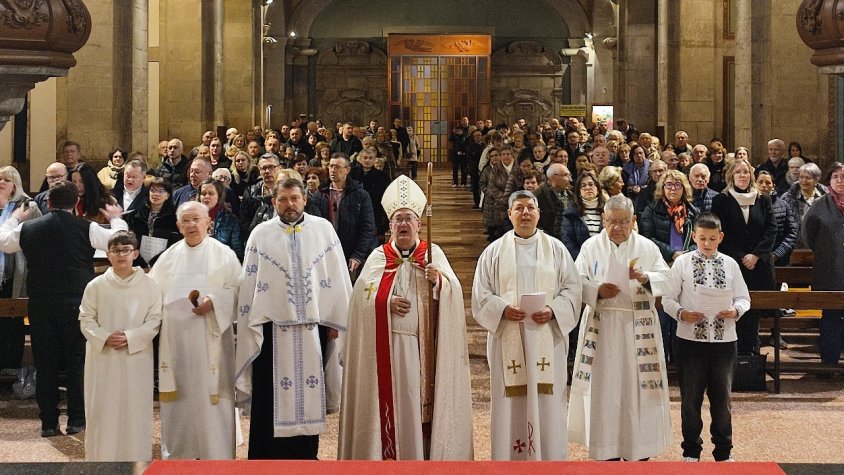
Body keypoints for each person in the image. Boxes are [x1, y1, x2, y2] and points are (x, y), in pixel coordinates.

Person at [340, 175, 473, 460]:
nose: (403, 224)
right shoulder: (377, 258)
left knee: (418, 409)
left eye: (408, 219)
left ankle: (420, 458)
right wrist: (385, 301)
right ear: (389, 226)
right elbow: (358, 300)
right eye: (398, 219)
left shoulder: (433, 254)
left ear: (419, 224)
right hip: (385, 353)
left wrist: (439, 283)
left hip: (421, 351)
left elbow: (454, 293)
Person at [0, 180, 127, 437]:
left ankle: (48, 423)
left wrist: (14, 217)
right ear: (76, 204)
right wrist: (116, 218)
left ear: (48, 203)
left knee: (45, 365)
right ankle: (77, 421)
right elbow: (118, 242)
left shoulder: (29, 227)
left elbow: (3, 241)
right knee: (77, 363)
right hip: (78, 306)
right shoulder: (86, 227)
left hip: (41, 306)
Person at [236, 178, 351, 460]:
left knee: (309, 397)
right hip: (271, 331)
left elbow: (336, 278)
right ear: (273, 201)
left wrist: (336, 320)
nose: (289, 204)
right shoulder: (260, 235)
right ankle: (265, 461)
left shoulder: (323, 230)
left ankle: (305, 459)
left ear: (305, 199)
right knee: (269, 399)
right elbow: (249, 283)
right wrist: (249, 326)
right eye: (283, 199)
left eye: (295, 198)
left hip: (314, 329)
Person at [472, 189, 581, 460]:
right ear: (509, 214)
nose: (525, 213)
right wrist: (503, 309)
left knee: (548, 404)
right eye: (518, 208)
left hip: (547, 337)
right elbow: (481, 295)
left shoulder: (556, 249)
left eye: (530, 208)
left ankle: (549, 459)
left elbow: (572, 290)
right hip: (509, 336)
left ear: (538, 213)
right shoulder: (494, 252)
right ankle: (510, 461)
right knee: (511, 404)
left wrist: (554, 310)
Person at [569, 195, 673, 461]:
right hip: (602, 328)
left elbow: (668, 280)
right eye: (612, 221)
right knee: (604, 390)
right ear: (604, 220)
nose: (617, 227)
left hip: (637, 328)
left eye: (623, 221)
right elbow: (575, 281)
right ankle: (606, 451)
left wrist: (645, 277)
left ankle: (638, 449)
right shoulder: (591, 247)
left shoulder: (647, 247)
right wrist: (596, 290)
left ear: (633, 221)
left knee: (636, 390)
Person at [149, 201, 242, 459]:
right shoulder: (168, 259)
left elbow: (238, 291)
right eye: (186, 221)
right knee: (181, 403)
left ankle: (217, 455)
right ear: (178, 226)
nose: (191, 225)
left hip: (210, 341)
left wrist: (215, 302)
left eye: (196, 219)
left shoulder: (224, 255)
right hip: (176, 345)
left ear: (208, 222)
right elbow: (152, 295)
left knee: (212, 402)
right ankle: (180, 456)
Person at [661, 212, 750, 462]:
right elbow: (667, 298)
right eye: (702, 238)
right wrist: (681, 313)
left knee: (722, 399)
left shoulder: (731, 264)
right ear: (695, 237)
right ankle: (691, 450)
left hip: (724, 341)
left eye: (712, 238)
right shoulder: (682, 263)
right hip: (690, 340)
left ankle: (723, 451)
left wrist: (736, 310)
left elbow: (744, 297)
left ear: (720, 237)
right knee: (691, 399)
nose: (707, 244)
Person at [79, 231, 162, 461]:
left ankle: (136, 462)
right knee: (102, 411)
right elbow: (85, 319)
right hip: (103, 358)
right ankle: (99, 463)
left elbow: (155, 319)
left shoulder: (149, 285)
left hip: (136, 357)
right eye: (116, 250)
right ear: (108, 254)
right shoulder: (96, 286)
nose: (121, 255)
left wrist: (132, 336)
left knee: (134, 412)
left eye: (126, 250)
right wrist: (104, 337)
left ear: (135, 253)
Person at [711, 158, 777, 356]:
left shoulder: (763, 199)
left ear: (751, 176)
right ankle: (733, 356)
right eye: (738, 172)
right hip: (733, 264)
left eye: (746, 172)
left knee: (754, 312)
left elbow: (771, 229)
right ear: (731, 175)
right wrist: (741, 257)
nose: (742, 175)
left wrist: (756, 255)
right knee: (734, 310)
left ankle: (752, 357)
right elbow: (721, 233)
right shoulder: (721, 200)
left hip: (759, 266)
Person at [802, 162, 844, 374]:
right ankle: (829, 365)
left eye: (843, 176)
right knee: (831, 317)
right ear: (829, 181)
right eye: (835, 176)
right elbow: (807, 233)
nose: (840, 180)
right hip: (829, 270)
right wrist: (826, 250)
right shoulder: (820, 204)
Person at [0, 167, 40, 377]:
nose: (1, 182)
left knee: (14, 317)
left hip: (16, 270)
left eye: (6, 179)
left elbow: (38, 235)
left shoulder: (27, 206)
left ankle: (12, 363)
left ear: (15, 184)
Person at [318, 153, 376, 281]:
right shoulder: (320, 194)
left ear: (347, 170)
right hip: (325, 255)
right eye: (331, 166)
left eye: (337, 167)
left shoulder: (361, 195)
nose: (333, 170)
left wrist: (358, 255)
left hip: (350, 254)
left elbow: (367, 228)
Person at [130, 177, 180, 268]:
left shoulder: (174, 217)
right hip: (139, 262)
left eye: (161, 191)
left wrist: (155, 262)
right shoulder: (138, 214)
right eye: (153, 190)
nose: (156, 194)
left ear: (168, 196)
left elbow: (175, 244)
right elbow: (133, 240)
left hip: (163, 263)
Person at [782, 162, 827, 250]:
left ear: (816, 179)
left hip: (821, 246)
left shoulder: (826, 197)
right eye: (801, 177)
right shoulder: (787, 198)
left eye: (808, 178)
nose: (803, 181)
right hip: (794, 247)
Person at [561, 172, 605, 261]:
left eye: (591, 184)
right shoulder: (570, 213)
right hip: (580, 262)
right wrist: (583, 261)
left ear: (597, 188)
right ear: (579, 191)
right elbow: (568, 241)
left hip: (605, 260)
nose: (587, 188)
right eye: (583, 186)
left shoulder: (607, 210)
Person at [197, 178, 243, 260]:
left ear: (219, 196)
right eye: (203, 193)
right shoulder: (192, 217)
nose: (206, 196)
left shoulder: (231, 220)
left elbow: (237, 253)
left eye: (211, 193)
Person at [533, 163, 573, 241]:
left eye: (569, 175)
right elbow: (536, 225)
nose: (570, 179)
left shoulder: (572, 195)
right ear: (554, 177)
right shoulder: (537, 196)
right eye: (566, 175)